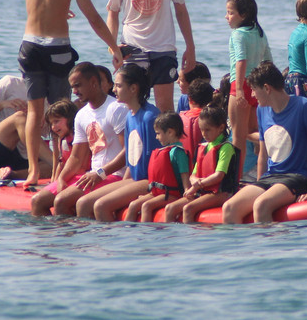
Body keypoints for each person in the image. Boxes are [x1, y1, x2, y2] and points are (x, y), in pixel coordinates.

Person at [20, 0, 122, 187]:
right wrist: (114, 46)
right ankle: (57, 173)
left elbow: (39, 7)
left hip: (29, 45)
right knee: (62, 113)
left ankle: (33, 171)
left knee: (35, 112)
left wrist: (59, 10)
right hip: (57, 49)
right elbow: (94, 18)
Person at [222, 62, 307, 223]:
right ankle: (241, 248)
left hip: (299, 176)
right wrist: (259, 184)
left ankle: (269, 247)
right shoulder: (261, 110)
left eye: (254, 89)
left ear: (267, 88)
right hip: (271, 176)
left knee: (261, 205)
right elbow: (263, 154)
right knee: (229, 207)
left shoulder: (304, 107)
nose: (252, 95)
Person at [31, 63, 127, 217]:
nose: (74, 91)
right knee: (37, 201)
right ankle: (52, 239)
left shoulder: (116, 108)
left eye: (78, 86)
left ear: (94, 82)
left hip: (114, 175)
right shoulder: (81, 115)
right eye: (72, 87)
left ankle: (77, 239)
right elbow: (76, 157)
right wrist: (62, 178)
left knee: (61, 201)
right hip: (92, 175)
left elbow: (128, 152)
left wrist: (101, 173)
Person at [84, 64, 161, 222]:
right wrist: (124, 185)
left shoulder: (149, 117)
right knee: (84, 203)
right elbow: (130, 160)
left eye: (119, 86)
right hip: (133, 179)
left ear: (133, 88)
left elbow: (157, 163)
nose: (114, 90)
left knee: (100, 206)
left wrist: (144, 193)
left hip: (149, 181)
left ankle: (117, 244)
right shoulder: (129, 116)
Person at [164, 105, 240, 223]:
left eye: (207, 130)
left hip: (221, 193)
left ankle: (194, 239)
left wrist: (196, 186)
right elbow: (193, 175)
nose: (204, 134)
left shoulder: (226, 147)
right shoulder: (203, 147)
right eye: (201, 129)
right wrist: (195, 184)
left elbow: (219, 175)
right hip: (202, 190)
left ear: (220, 128)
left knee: (188, 208)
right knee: (170, 208)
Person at [226, 0, 273, 163]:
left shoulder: (238, 34)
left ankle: (234, 181)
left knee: (238, 138)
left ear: (243, 15)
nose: (227, 17)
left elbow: (241, 60)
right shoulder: (260, 33)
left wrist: (239, 90)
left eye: (230, 13)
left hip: (241, 84)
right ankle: (262, 175)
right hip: (257, 86)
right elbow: (268, 61)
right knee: (255, 134)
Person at [124, 112, 192, 222]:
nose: (156, 137)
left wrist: (187, 193)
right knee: (133, 205)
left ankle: (148, 236)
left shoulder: (179, 153)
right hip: (159, 193)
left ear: (170, 132)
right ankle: (127, 233)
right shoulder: (163, 151)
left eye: (158, 133)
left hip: (173, 194)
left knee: (146, 206)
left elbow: (185, 177)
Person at [180, 78, 214, 163]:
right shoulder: (211, 119)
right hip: (202, 169)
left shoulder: (179, 118)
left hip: (183, 170)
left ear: (190, 99)